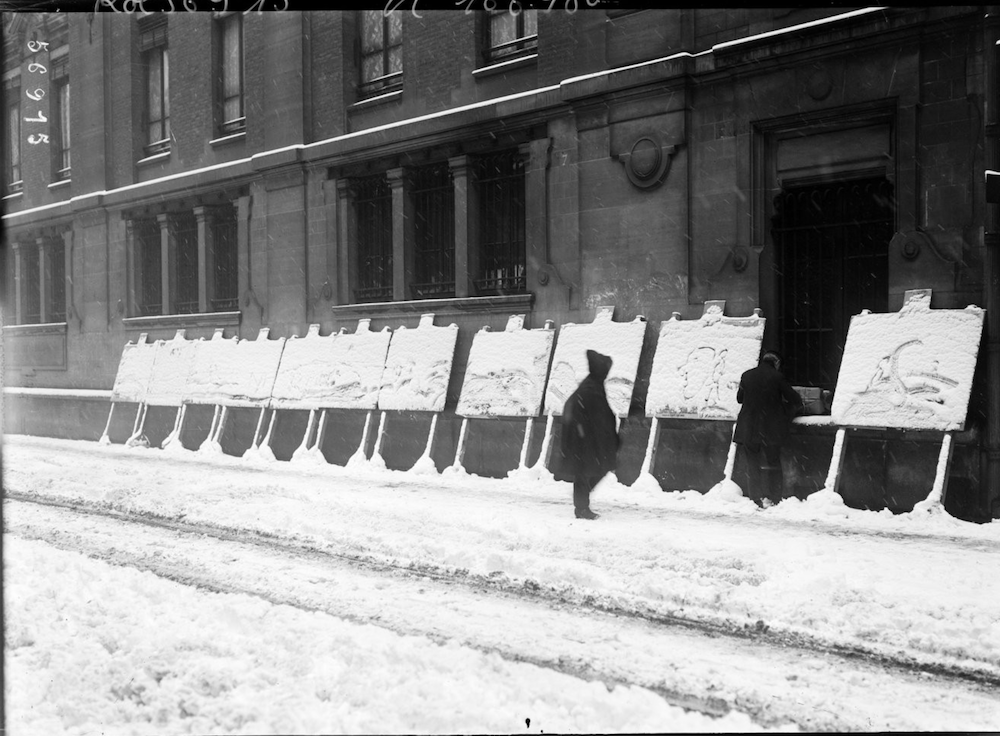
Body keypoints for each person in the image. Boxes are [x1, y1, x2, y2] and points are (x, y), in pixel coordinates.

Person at [733, 350, 803, 507]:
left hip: (748, 427)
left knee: (752, 464)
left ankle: (755, 498)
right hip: (770, 429)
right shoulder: (777, 377)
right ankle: (775, 497)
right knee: (773, 463)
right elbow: (795, 399)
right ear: (776, 363)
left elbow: (739, 399)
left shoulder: (747, 375)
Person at [560, 350, 621, 520]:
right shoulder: (591, 387)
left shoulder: (593, 384)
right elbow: (596, 415)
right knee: (585, 472)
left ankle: (581, 502)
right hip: (584, 440)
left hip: (585, 439)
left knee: (590, 471)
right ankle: (581, 508)